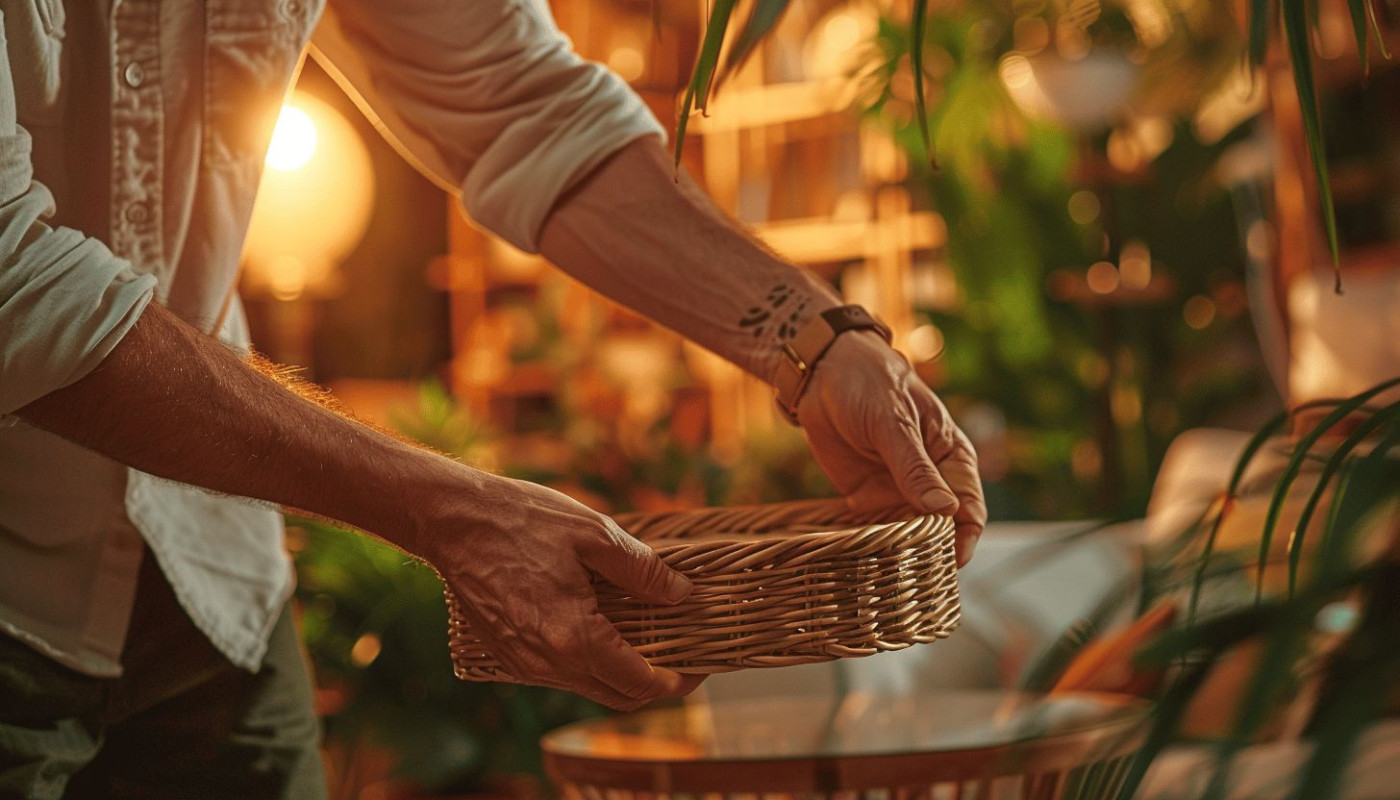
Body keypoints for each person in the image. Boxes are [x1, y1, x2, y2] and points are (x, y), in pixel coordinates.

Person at [0, 0, 986, 797]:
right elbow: (16, 287)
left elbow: (523, 102)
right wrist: (447, 507)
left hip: (207, 579)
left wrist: (815, 340)